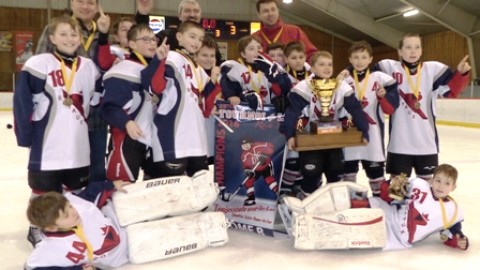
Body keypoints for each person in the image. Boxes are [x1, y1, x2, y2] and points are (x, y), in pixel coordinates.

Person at [13, 15, 100, 247]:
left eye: (73, 34)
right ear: (51, 38)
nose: (70, 39)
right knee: (43, 191)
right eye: (63, 34)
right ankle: (37, 228)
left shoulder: (89, 67)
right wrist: (25, 137)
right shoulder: (38, 64)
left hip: (78, 146)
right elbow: (22, 103)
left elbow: (96, 99)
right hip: (48, 144)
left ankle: (70, 227)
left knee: (75, 191)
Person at [373, 34, 470, 182]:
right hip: (399, 144)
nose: (413, 51)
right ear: (400, 51)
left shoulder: (433, 70)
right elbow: (364, 73)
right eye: (408, 47)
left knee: (426, 195)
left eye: (417, 47)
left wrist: (461, 74)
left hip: (426, 145)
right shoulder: (388, 67)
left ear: (421, 51)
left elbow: (451, 92)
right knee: (396, 194)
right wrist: (348, 70)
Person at [281, 51, 369, 197]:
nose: (327, 68)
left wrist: (364, 131)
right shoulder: (304, 87)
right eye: (321, 64)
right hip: (310, 142)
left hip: (333, 141)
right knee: (311, 177)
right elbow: (292, 113)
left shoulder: (341, 86)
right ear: (313, 68)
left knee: (335, 177)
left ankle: (332, 209)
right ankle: (304, 207)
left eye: (329, 64)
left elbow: (356, 109)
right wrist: (290, 134)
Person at [142, 21, 220, 177]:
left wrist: (213, 82)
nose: (196, 42)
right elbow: (155, 87)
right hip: (173, 135)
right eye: (192, 36)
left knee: (199, 187)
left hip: (196, 139)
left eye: (200, 39)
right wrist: (159, 61)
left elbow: (206, 110)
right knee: (170, 189)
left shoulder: (198, 69)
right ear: (179, 37)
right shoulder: (172, 57)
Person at [100, 24, 159, 182]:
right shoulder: (122, 70)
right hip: (127, 139)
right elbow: (108, 108)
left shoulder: (157, 69)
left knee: (154, 193)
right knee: (121, 191)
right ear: (132, 44)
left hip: (153, 141)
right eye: (146, 39)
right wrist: (126, 122)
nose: (152, 43)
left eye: (154, 39)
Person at [342, 41, 399, 196]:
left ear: (370, 59)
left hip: (373, 136)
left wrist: (384, 96)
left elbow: (392, 104)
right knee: (348, 174)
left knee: (376, 176)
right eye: (356, 57)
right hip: (349, 134)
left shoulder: (379, 77)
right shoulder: (344, 79)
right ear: (350, 59)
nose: (360, 61)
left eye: (363, 57)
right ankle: (349, 201)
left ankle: (379, 202)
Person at [369, 164, 469, 250]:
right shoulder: (418, 185)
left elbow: (450, 233)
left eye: (447, 183)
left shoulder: (452, 210)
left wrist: (458, 240)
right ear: (432, 180)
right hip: (389, 216)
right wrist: (392, 187)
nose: (441, 186)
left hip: (397, 240)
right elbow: (389, 198)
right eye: (438, 181)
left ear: (453, 187)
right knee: (368, 203)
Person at [220, 35, 291, 113]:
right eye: (251, 49)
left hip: (266, 115)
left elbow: (285, 88)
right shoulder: (235, 67)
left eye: (259, 47)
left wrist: (273, 73)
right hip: (244, 114)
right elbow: (229, 86)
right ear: (243, 54)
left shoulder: (270, 67)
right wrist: (239, 95)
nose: (257, 51)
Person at [279, 41, 311, 195]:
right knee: (292, 159)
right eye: (293, 57)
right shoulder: (282, 77)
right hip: (291, 122)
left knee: (305, 159)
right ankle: (285, 190)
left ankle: (299, 188)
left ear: (305, 57)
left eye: (300, 57)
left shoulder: (313, 74)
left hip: (310, 123)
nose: (298, 60)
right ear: (286, 59)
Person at [157, 0, 223, 65]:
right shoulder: (165, 36)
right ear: (179, 15)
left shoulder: (208, 41)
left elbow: (218, 64)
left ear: (200, 15)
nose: (192, 15)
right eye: (187, 11)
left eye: (196, 11)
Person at [253, 0, 317, 61]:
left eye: (273, 9)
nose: (270, 14)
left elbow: (311, 55)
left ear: (278, 11)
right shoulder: (254, 38)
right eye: (265, 11)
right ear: (259, 15)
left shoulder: (295, 32)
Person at [194, 36, 223, 165]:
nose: (209, 59)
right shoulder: (193, 75)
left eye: (212, 55)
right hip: (197, 131)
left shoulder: (220, 76)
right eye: (204, 55)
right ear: (195, 56)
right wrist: (212, 80)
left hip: (214, 132)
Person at [240, 138, 278, 206]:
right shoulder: (244, 155)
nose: (245, 146)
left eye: (247, 144)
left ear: (251, 143)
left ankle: (278, 192)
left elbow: (271, 146)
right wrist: (247, 170)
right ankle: (251, 198)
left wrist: (265, 154)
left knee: (268, 179)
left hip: (266, 165)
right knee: (248, 181)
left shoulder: (258, 145)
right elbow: (245, 165)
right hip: (256, 169)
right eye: (243, 145)